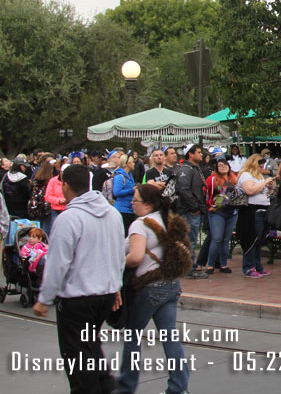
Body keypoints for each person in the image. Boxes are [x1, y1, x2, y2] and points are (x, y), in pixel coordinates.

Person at [33, 165, 125, 394]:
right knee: (91, 348)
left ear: (65, 185)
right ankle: (107, 388)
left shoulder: (69, 219)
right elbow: (118, 254)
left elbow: (58, 263)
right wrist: (115, 286)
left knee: (78, 359)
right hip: (104, 294)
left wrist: (44, 298)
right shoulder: (113, 214)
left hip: (77, 298)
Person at [116, 183, 191, 393]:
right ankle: (178, 387)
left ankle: (126, 387)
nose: (132, 204)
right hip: (171, 285)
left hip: (148, 287)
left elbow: (136, 257)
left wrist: (118, 263)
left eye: (135, 200)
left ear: (147, 204)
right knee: (170, 337)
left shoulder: (140, 225)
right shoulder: (167, 220)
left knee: (132, 337)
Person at [237, 154, 276, 278]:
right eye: (259, 165)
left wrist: (270, 187)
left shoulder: (259, 177)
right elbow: (250, 190)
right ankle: (248, 267)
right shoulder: (246, 175)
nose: (261, 168)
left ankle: (258, 265)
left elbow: (265, 193)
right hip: (251, 210)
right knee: (252, 239)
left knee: (259, 240)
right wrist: (264, 182)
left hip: (263, 208)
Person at [177, 144, 209, 279]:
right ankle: (188, 268)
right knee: (189, 240)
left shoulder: (195, 169)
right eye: (199, 152)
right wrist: (194, 207)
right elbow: (184, 189)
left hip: (195, 209)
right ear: (190, 154)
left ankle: (191, 266)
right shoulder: (186, 169)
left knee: (192, 239)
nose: (201, 155)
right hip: (189, 210)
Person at [203, 156, 239, 274]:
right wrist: (209, 206)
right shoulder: (212, 180)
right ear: (216, 168)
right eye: (220, 166)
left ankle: (224, 264)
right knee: (217, 238)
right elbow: (206, 193)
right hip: (217, 212)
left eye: (225, 165)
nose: (223, 167)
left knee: (225, 239)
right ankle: (211, 264)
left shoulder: (234, 180)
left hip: (232, 212)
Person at [110, 152, 137, 233]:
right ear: (128, 164)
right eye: (132, 162)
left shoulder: (129, 176)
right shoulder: (119, 176)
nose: (134, 164)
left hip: (129, 209)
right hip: (122, 209)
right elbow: (116, 192)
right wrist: (132, 190)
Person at [2, 155, 32, 219]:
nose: (25, 168)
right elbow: (28, 193)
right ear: (20, 166)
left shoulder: (6, 176)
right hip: (22, 208)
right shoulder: (23, 178)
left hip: (8, 207)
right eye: (24, 166)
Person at [43, 161, 68, 236]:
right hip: (55, 209)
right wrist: (59, 201)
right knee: (55, 230)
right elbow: (47, 196)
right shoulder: (53, 181)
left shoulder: (72, 182)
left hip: (68, 209)